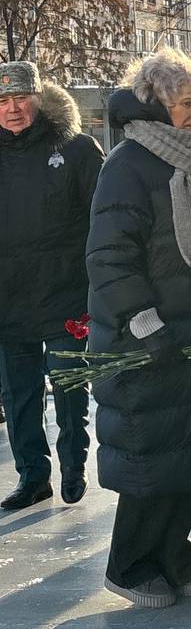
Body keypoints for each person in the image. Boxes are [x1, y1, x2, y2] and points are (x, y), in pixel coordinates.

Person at [87, 48, 191, 608]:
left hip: (190, 329)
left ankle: (175, 555)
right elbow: (108, 254)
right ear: (156, 106)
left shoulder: (190, 160)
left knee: (188, 453)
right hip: (144, 337)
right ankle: (129, 565)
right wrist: (145, 322)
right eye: (185, 104)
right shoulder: (128, 164)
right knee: (149, 457)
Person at [0, 61, 103, 510]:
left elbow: (105, 220)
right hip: (8, 297)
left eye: (20, 97)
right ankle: (32, 476)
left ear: (39, 98)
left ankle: (73, 467)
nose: (12, 108)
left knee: (69, 386)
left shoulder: (77, 149)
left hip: (66, 293)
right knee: (18, 393)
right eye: (2, 101)